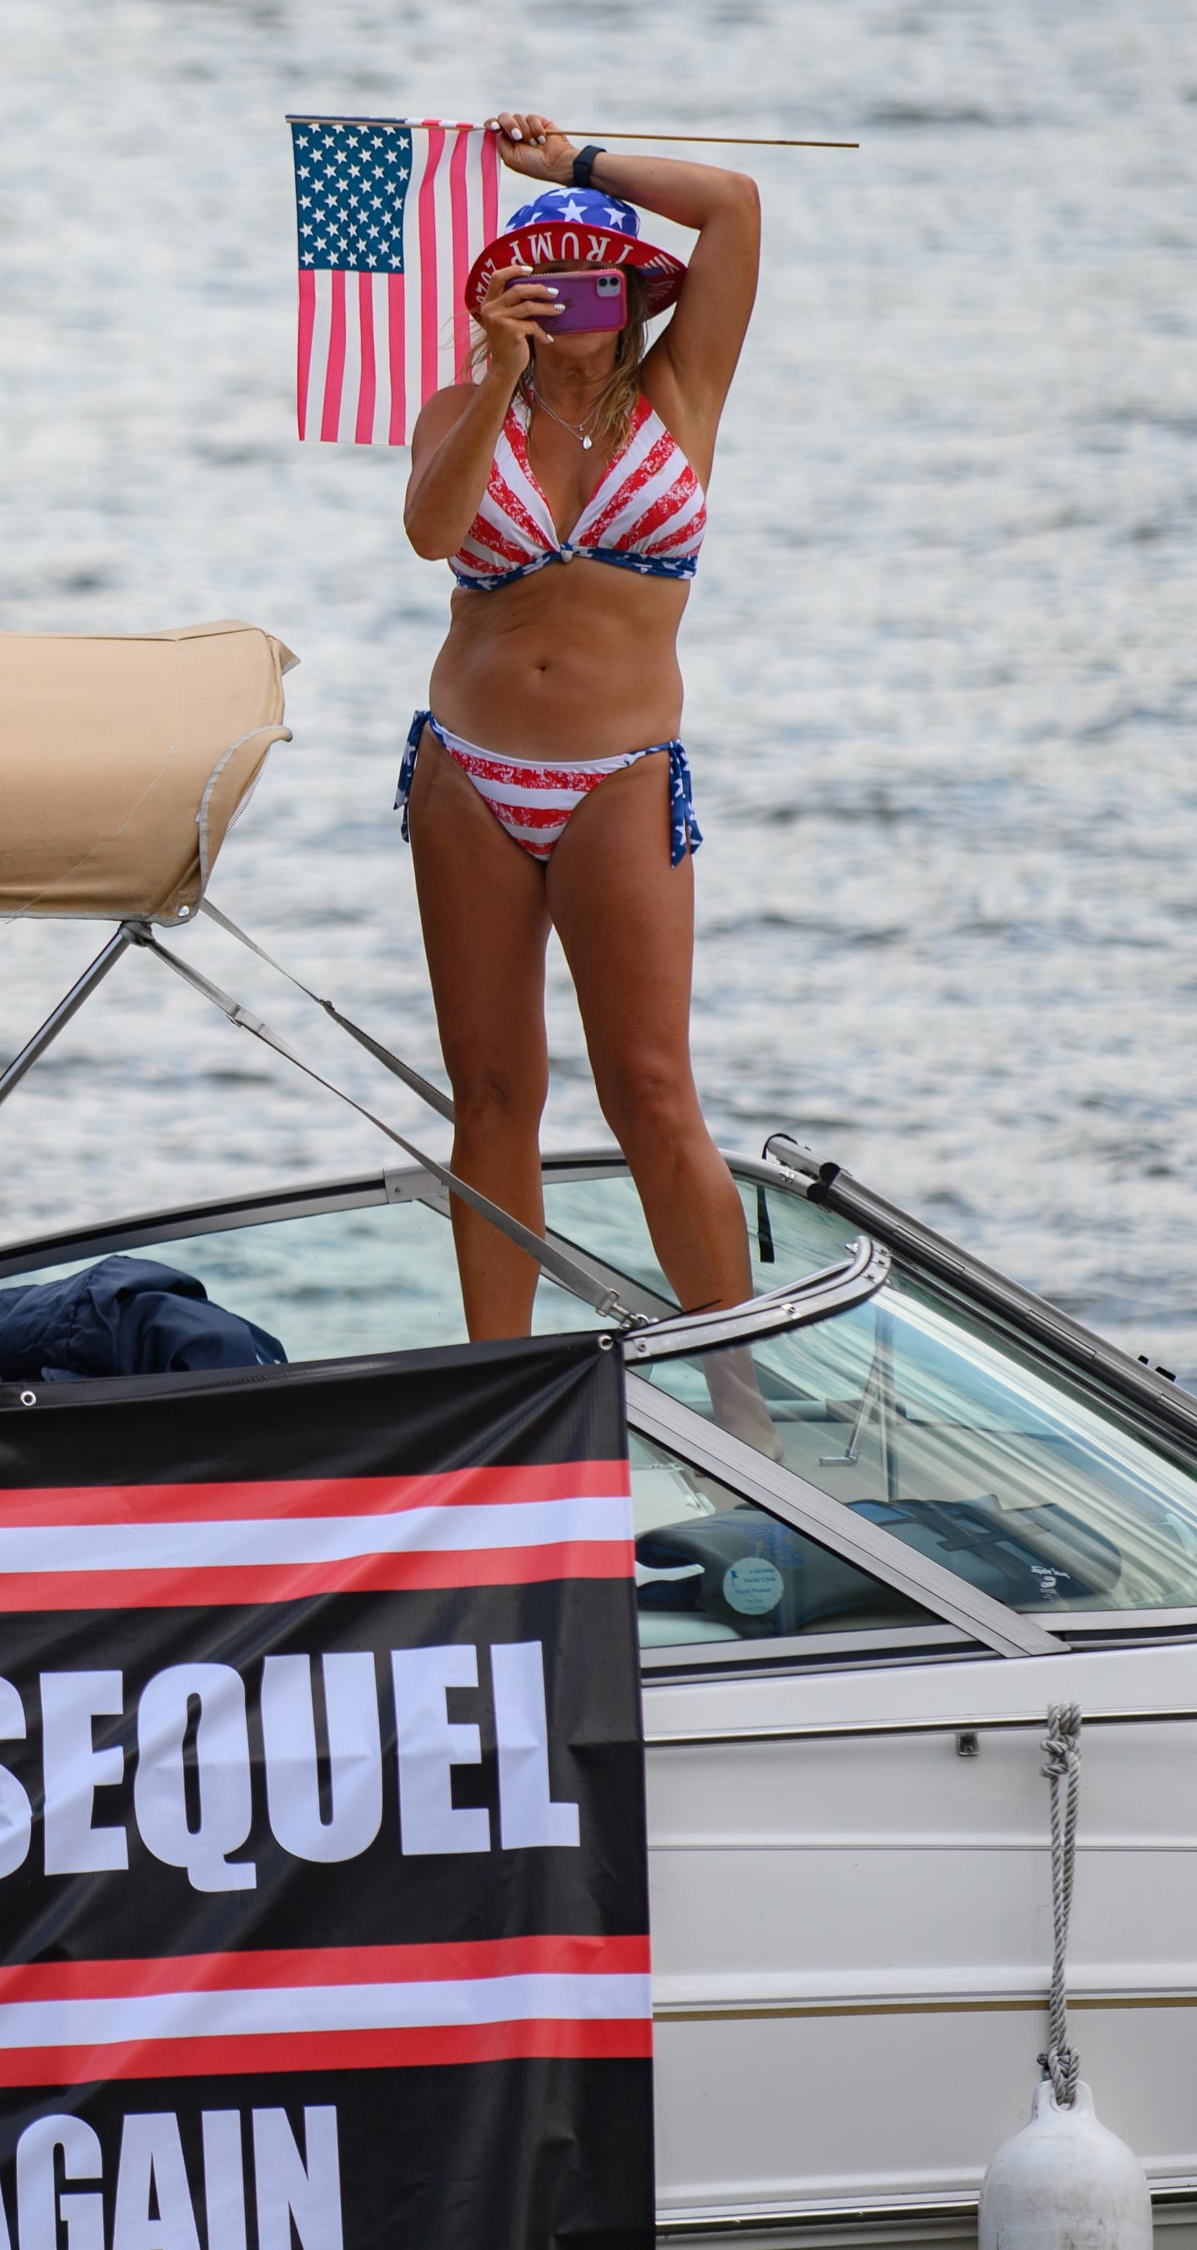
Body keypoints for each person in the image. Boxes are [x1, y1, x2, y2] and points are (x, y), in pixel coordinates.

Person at [396, 115, 773, 1417]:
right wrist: (497, 374)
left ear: (635, 292)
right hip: (471, 777)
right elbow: (430, 533)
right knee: (494, 1094)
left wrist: (570, 168)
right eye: (543, 285)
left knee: (652, 1092)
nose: (574, 310)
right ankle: (499, 1397)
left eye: (596, 282)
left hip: (620, 776)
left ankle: (742, 1404)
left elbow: (734, 205)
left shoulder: (682, 394)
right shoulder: (460, 410)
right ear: (506, 296)